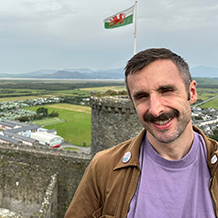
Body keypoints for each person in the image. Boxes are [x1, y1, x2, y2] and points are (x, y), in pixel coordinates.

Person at [65, 48, 218, 218]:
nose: (155, 109)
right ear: (132, 103)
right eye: (142, 96)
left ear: (192, 92)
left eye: (166, 91)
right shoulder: (103, 167)